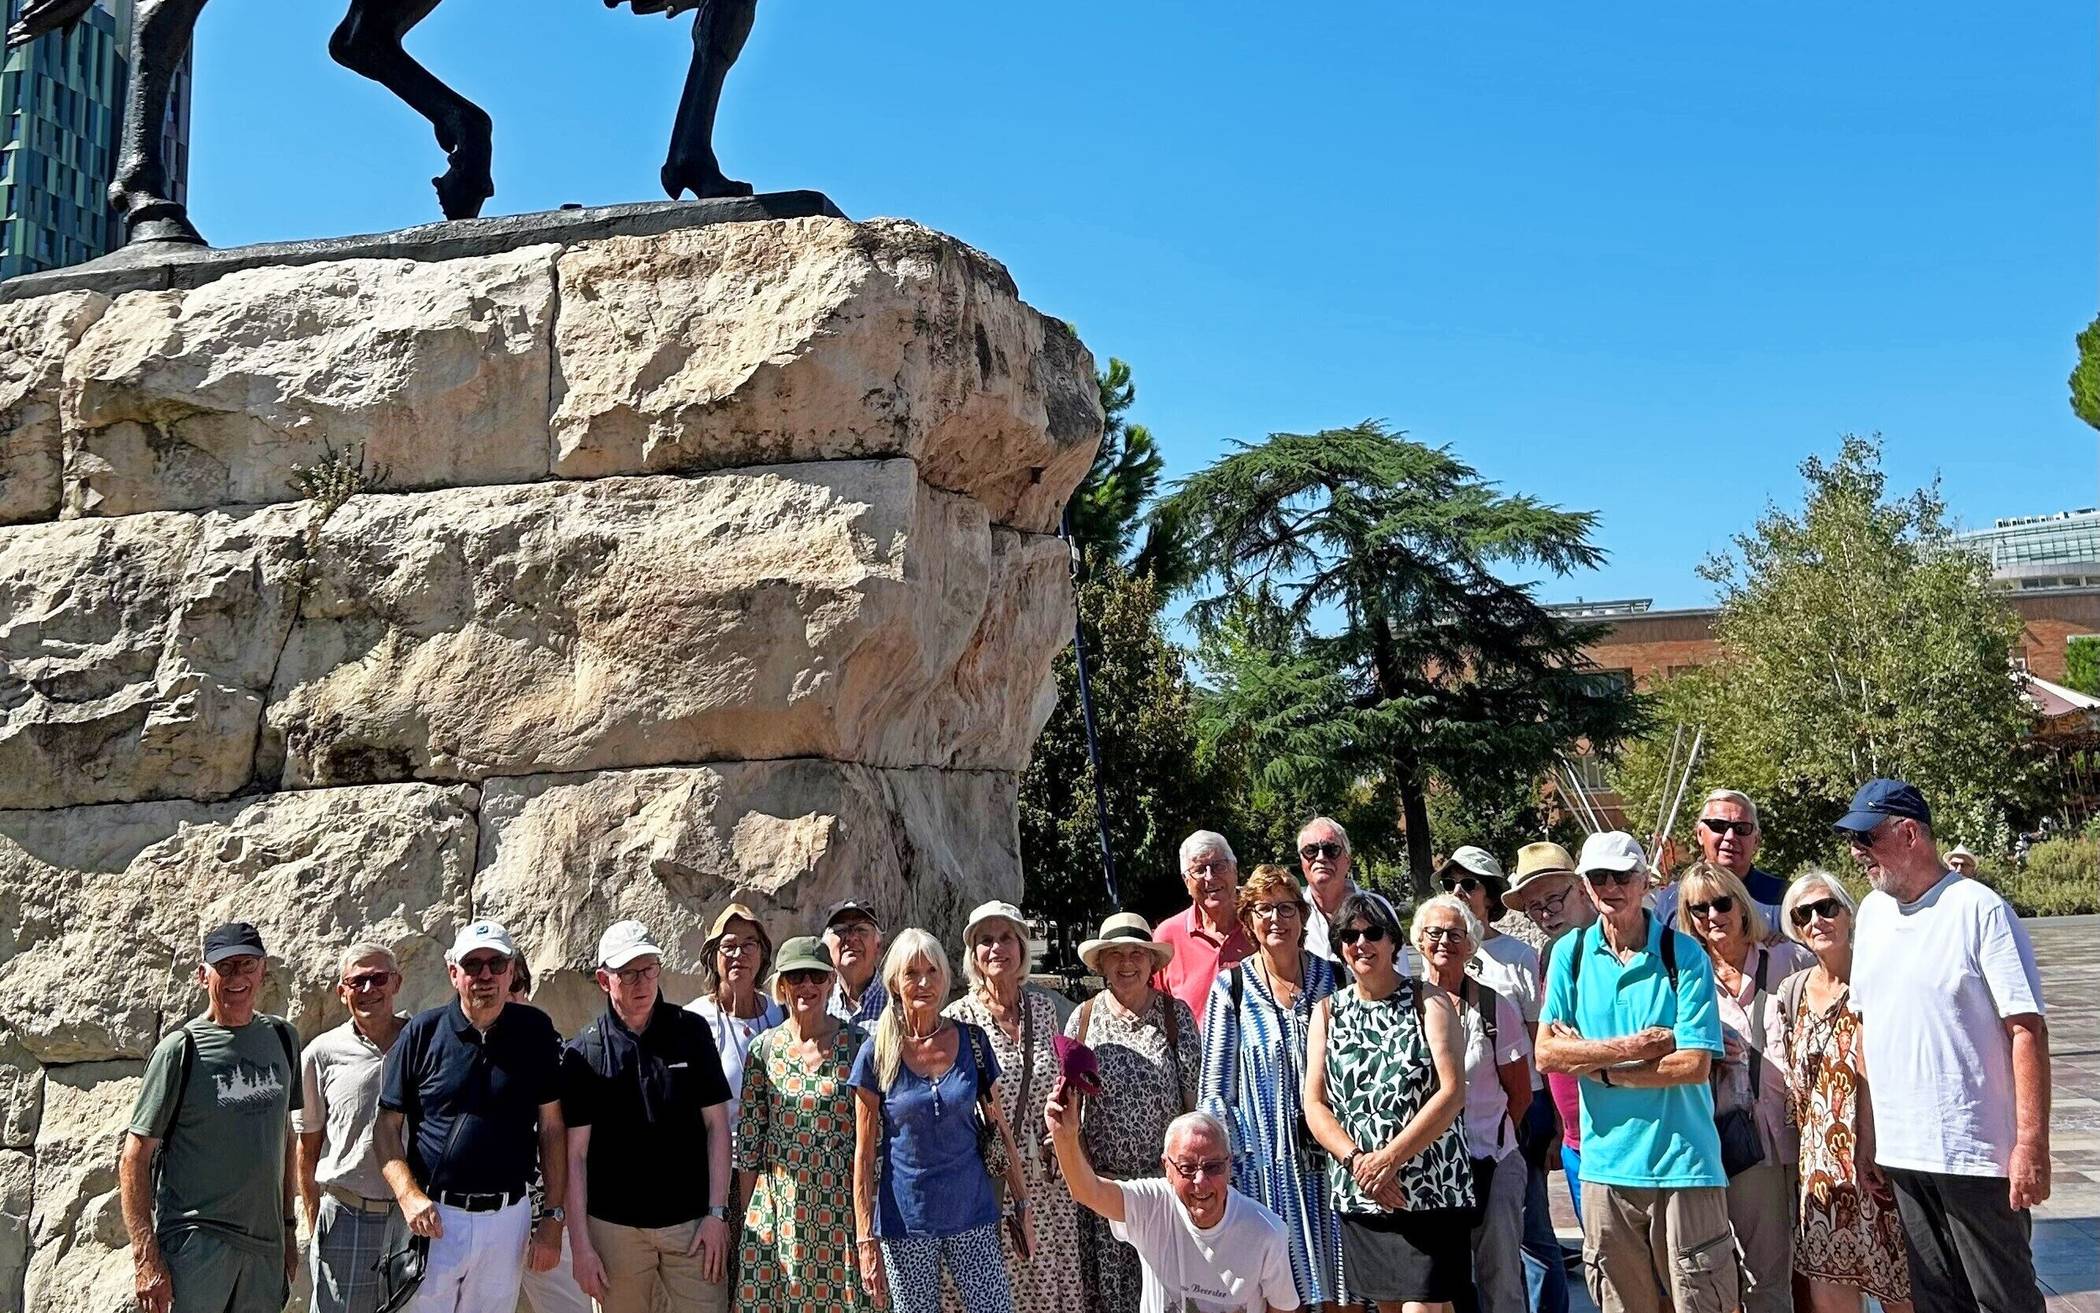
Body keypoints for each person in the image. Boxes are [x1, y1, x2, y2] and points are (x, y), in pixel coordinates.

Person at [1838, 778, 2050, 1313]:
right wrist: (1867, 1133)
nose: (1857, 851)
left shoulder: (1979, 909)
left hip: (1975, 1151)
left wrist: (2031, 1145)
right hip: (1904, 1151)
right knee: (1935, 1302)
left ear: (1910, 834)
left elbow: (2026, 1030)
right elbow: (1867, 1027)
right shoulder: (1873, 914)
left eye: (1868, 838)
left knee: (2005, 1299)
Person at [1535, 832, 1738, 1313]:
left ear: (1645, 880)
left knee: (1702, 1303)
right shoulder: (1571, 954)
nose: (1610, 886)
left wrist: (1595, 1065)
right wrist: (1638, 1047)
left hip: (1685, 1166)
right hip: (1606, 1168)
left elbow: (1692, 1064)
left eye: (1622, 875)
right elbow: (1546, 1054)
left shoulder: (1684, 954)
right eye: (1598, 876)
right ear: (1585, 886)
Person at [377, 920, 566, 1313]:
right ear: (453, 973)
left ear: (511, 970)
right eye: (473, 964)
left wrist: (553, 1216)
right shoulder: (422, 1033)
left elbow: (551, 1127)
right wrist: (408, 1196)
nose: (485, 975)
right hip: (435, 1218)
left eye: (496, 964)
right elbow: (386, 1127)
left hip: (507, 1219)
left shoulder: (535, 1031)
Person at [1304, 890, 1472, 1313]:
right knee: (1395, 1309)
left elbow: (1451, 1092)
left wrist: (1390, 1159)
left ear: (1393, 941)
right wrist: (1358, 1162)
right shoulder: (1326, 1012)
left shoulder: (1428, 1001)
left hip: (1430, 1188)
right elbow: (1315, 1105)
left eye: (1373, 932)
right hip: (1365, 1191)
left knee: (1424, 1308)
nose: (1361, 943)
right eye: (1349, 935)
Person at [121, 922, 303, 1313]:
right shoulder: (180, 1050)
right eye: (226, 967)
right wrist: (146, 1258)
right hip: (196, 1247)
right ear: (204, 974)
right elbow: (134, 1156)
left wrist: (288, 1231)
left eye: (247, 964)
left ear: (263, 969)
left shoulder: (284, 1039)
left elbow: (285, 1140)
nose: (238, 977)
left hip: (264, 1250)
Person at [852, 930, 1030, 1313]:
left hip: (973, 1213)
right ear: (894, 983)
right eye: (911, 972)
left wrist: (1022, 1203)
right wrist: (866, 1239)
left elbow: (999, 1129)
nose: (923, 983)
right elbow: (864, 1157)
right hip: (907, 1222)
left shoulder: (972, 1042)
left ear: (946, 978)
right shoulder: (877, 1053)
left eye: (932, 971)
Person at [563, 920, 736, 1313]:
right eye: (628, 973)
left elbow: (717, 1126)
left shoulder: (690, 1031)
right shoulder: (584, 1052)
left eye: (649, 969)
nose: (642, 983)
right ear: (604, 980)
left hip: (692, 1225)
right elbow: (575, 1156)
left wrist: (716, 1214)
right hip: (615, 1232)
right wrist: (581, 1246)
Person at [1197, 864, 1344, 1311]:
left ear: (1302, 916)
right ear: (1248, 922)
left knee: (1344, 1285)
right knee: (1283, 1290)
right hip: (1267, 1165)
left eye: (1286, 908)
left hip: (1333, 1158)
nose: (1276, 919)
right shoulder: (1233, 986)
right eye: (1264, 910)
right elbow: (1215, 1089)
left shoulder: (1334, 979)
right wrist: (1238, 1165)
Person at [1675, 861, 1811, 1313]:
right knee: (1763, 1273)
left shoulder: (1789, 959)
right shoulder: (1685, 979)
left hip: (1808, 1133)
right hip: (1740, 1141)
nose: (1712, 915)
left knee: (1828, 1262)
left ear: (1741, 903)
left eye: (1721, 903)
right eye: (1698, 909)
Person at [1775, 872, 1913, 1313]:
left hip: (1882, 1164)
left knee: (1901, 1291)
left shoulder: (1881, 977)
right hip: (1820, 1173)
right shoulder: (1791, 993)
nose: (1817, 919)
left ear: (1848, 913)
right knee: (1831, 1296)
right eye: (1804, 914)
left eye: (1826, 907)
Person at [942, 901, 1087, 1313]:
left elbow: (1055, 1082)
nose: (996, 948)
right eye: (985, 940)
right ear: (973, 954)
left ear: (1022, 947)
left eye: (1006, 938)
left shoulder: (1042, 1010)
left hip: (1048, 1179)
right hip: (993, 1183)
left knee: (1047, 1286)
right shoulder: (959, 1019)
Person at [1066, 912, 1203, 1313]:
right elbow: (1071, 1107)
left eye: (1137, 954)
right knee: (1113, 1299)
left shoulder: (1176, 1018)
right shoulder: (1083, 1019)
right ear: (1102, 963)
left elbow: (1193, 1106)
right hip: (1106, 1190)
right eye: (1116, 954)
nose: (1127, 963)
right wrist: (1088, 1170)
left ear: (1152, 962)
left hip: (1164, 1192)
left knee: (1168, 1297)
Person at [1046, 1099, 1301, 1313]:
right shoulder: (1152, 1204)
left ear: (1229, 1165)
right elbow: (1087, 1191)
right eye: (1187, 1168)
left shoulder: (1267, 1232)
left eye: (1213, 1167)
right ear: (1167, 1168)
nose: (1200, 1182)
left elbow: (1282, 1308)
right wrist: (1064, 1136)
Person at [732, 936, 872, 1311]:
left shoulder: (860, 1046)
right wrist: (750, 1222)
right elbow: (749, 1142)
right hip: (780, 1207)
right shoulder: (763, 1050)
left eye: (816, 976)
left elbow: (874, 1138)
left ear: (830, 982)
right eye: (796, 977)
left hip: (839, 1206)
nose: (807, 985)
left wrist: (868, 1220)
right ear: (781, 986)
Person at [1414, 895, 1531, 1313]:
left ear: (1471, 944)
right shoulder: (1405, 1006)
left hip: (1491, 1159)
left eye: (1456, 934)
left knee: (1500, 1281)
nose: (1445, 941)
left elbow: (1519, 1092)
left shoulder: (1493, 1005)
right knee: (1440, 1285)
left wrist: (1492, 1137)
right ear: (1419, 940)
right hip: (1428, 1172)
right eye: (1435, 933)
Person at [1498, 842, 1587, 1313]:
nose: (1547, 914)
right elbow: (1547, 1050)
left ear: (1582, 888)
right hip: (1571, 1134)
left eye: (1555, 899)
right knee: (1600, 1256)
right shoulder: (1552, 953)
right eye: (1536, 906)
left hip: (1621, 1130)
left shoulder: (1620, 945)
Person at [296, 941, 407, 1313]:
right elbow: (307, 1148)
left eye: (378, 979)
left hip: (414, 1219)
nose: (368, 990)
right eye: (357, 982)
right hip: (346, 1218)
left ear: (396, 983)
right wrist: (317, 1227)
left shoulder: (423, 1043)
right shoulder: (319, 1055)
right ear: (342, 992)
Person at [510, 959, 594, 1313]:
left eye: (515, 986)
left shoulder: (563, 1056)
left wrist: (554, 1218)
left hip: (551, 1226)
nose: (507, 995)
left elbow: (576, 1147)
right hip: (486, 1227)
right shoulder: (466, 1053)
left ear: (526, 989)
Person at [687, 903, 783, 1153]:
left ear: (762, 954)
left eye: (750, 944)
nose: (739, 954)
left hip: (770, 1163)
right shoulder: (693, 1020)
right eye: (729, 946)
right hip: (715, 1163)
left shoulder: (779, 1014)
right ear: (713, 956)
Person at [1154, 830, 1255, 1028]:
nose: (1210, 877)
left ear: (1235, 870)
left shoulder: (1261, 924)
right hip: (1195, 1056)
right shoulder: (1167, 937)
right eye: (1199, 870)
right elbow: (1155, 1008)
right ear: (1186, 882)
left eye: (1219, 866)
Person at [1655, 789, 1786, 930]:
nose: (1730, 836)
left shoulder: (1782, 898)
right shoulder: (1671, 900)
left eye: (1741, 828)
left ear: (1756, 840)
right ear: (1699, 834)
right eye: (1718, 826)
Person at [1296, 817, 1360, 963]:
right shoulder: (1291, 914)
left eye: (1331, 849)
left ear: (1347, 860)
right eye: (1310, 850)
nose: (1320, 857)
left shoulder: (1378, 910)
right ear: (1302, 862)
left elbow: (1398, 975)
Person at [824, 899, 890, 1026]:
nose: (851, 937)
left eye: (861, 929)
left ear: (878, 944)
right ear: (827, 946)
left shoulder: (896, 1003)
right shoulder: (818, 1002)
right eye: (841, 929)